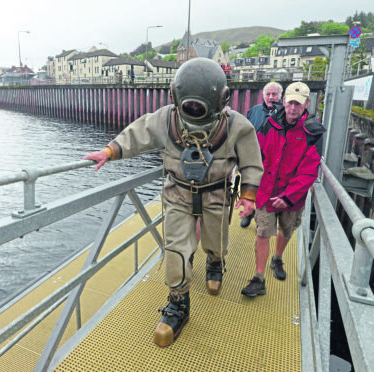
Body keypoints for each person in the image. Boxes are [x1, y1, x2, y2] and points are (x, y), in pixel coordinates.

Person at [83, 58, 263, 346]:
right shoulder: (167, 119)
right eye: (188, 106)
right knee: (176, 249)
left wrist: (249, 196)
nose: (192, 112)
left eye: (198, 107)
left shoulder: (236, 127)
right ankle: (178, 302)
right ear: (176, 98)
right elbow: (138, 134)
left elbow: (252, 163)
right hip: (178, 194)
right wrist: (111, 150)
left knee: (216, 241)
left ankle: (215, 263)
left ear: (220, 101)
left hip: (216, 193)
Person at [241, 82, 326, 297]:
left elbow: (309, 170)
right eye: (290, 103)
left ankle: (277, 258)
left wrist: (288, 197)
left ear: (307, 103)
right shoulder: (269, 125)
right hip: (266, 191)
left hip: (292, 197)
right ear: (284, 102)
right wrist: (249, 191)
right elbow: (256, 157)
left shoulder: (313, 132)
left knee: (286, 230)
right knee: (262, 233)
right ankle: (259, 278)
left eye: (299, 103)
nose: (293, 108)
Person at [240, 82, 283, 228]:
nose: (271, 97)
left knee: (268, 195)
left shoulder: (287, 113)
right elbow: (244, 134)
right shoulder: (253, 111)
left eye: (274, 94)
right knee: (250, 189)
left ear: (280, 96)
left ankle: (262, 221)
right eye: (268, 94)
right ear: (263, 95)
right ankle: (248, 214)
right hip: (254, 159)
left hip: (275, 164)